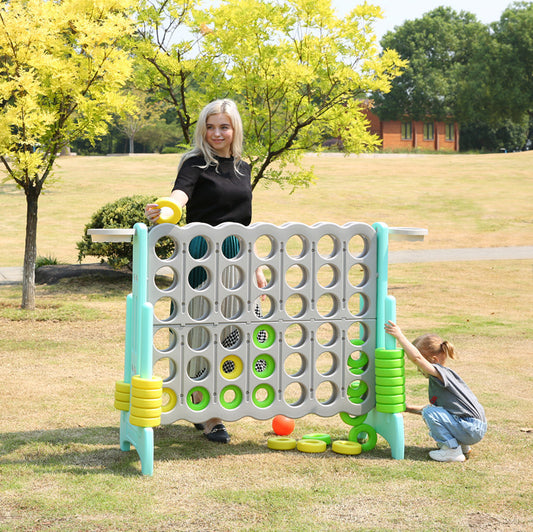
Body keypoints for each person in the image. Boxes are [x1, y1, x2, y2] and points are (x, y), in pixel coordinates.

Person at [145, 99, 266, 443]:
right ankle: (205, 412)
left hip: (237, 257)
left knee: (238, 330)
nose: (216, 133)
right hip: (199, 256)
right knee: (197, 331)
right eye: (210, 126)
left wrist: (254, 266)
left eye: (223, 126)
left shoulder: (244, 167)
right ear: (203, 128)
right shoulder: (194, 161)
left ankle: (219, 397)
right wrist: (167, 208)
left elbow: (245, 221)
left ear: (234, 129)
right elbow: (180, 195)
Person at [384, 321, 487, 462]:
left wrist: (399, 336)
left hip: (470, 427)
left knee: (429, 412)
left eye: (419, 366)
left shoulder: (440, 372)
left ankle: (451, 451)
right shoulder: (445, 379)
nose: (418, 369)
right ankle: (462, 446)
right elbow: (438, 412)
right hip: (473, 427)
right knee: (431, 411)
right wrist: (406, 408)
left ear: (433, 360)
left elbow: (417, 358)